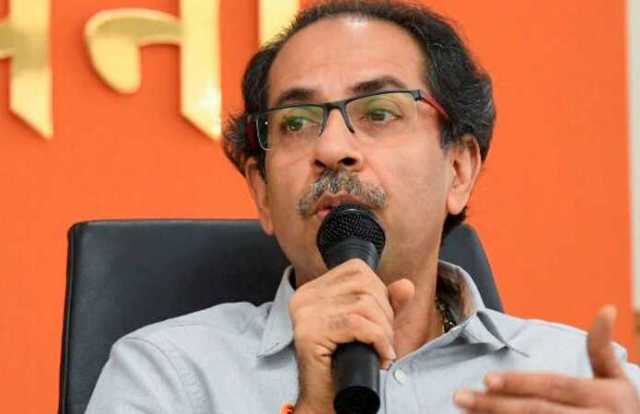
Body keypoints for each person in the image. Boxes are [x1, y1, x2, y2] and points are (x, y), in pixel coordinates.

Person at [85, 1, 640, 413]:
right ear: (262, 193)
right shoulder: (168, 378)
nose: (332, 148)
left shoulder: (578, 380)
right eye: (296, 122)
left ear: (458, 170)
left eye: (378, 113)